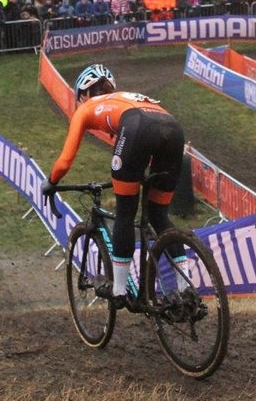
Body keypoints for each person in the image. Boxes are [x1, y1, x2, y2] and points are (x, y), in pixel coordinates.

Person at [41, 64, 185, 303]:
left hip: (138, 127)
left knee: (125, 214)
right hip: (172, 128)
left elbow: (65, 160)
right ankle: (184, 289)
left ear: (84, 93)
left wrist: (51, 182)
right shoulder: (125, 98)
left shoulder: (86, 108)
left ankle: (119, 290)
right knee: (160, 215)